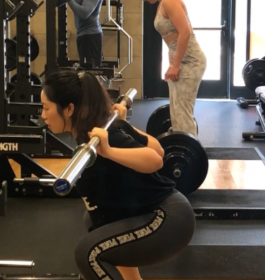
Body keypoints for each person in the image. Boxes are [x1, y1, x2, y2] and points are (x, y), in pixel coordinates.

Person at [40, 70, 196, 280]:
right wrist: (124, 124)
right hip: (164, 212)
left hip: (167, 218)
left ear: (69, 109)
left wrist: (110, 150)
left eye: (46, 108)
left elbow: (156, 158)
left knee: (88, 254)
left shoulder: (105, 137)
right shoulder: (102, 130)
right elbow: (158, 149)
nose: (42, 115)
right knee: (97, 218)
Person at [123, 0, 205, 137]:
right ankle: (179, 144)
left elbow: (185, 32)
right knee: (176, 112)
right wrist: (173, 63)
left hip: (190, 61)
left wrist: (175, 65)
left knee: (182, 113)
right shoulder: (163, 1)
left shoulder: (170, 0)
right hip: (180, 61)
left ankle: (189, 158)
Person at [57, 0, 104, 68]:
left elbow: (84, 13)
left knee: (90, 75)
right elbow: (57, 1)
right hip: (82, 35)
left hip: (91, 36)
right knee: (84, 72)